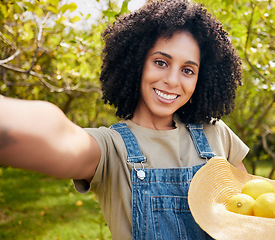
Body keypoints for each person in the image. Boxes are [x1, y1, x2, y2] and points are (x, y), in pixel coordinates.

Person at [0, 0, 249, 239]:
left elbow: (252, 215)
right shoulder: (111, 150)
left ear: (200, 79)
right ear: (136, 64)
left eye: (187, 70)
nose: (173, 80)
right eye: (161, 62)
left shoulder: (217, 134)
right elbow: (54, 134)